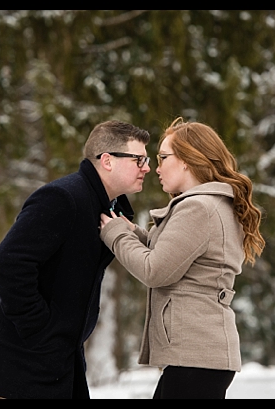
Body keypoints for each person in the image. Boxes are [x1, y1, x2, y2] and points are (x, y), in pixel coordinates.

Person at [0, 120, 152, 398]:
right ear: (108, 161)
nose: (146, 167)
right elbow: (9, 265)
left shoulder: (103, 207)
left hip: (58, 360)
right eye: (139, 159)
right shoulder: (63, 197)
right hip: (20, 359)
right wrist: (41, 330)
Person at [99, 117, 265, 399]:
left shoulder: (199, 208)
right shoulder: (211, 204)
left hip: (196, 357)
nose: (156, 168)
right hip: (199, 357)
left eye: (163, 157)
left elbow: (155, 269)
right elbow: (175, 255)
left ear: (188, 159)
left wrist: (114, 233)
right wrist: (134, 233)